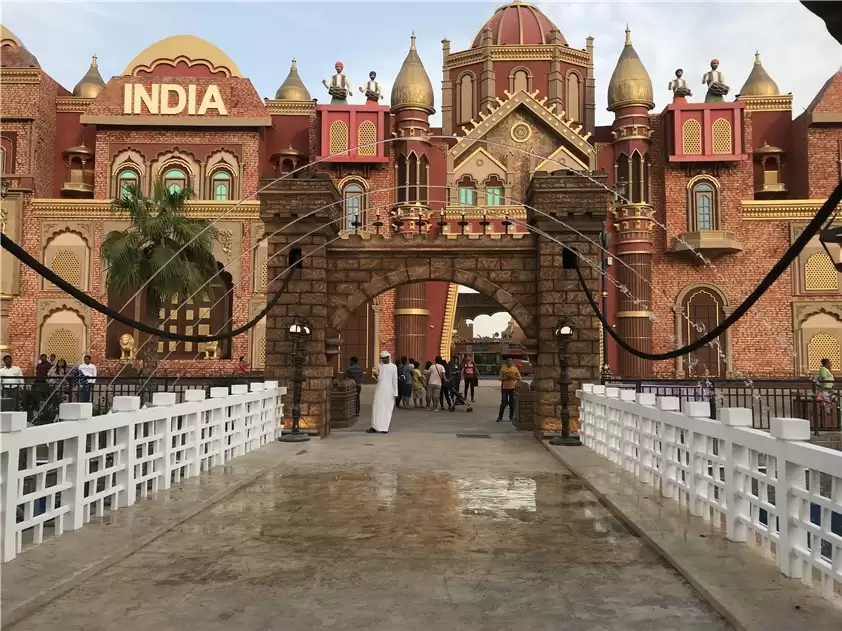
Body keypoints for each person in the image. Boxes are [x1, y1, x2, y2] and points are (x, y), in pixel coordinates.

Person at [368, 351, 397, 433]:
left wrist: (396, 393)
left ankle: (385, 428)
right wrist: (376, 375)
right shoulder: (379, 366)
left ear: (388, 358)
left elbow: (394, 380)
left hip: (389, 391)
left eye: (384, 358)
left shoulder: (394, 367)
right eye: (382, 359)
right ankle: (374, 427)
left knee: (387, 409)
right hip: (380, 389)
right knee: (376, 407)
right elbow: (379, 378)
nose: (383, 360)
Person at [497, 358, 521, 422]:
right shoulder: (503, 369)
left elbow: (519, 378)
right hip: (505, 388)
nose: (509, 362)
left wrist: (513, 377)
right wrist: (505, 378)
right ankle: (500, 416)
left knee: (512, 403)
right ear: (506, 362)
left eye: (510, 361)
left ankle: (511, 416)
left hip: (513, 388)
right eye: (508, 361)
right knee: (503, 403)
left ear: (512, 362)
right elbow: (500, 378)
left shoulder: (515, 368)